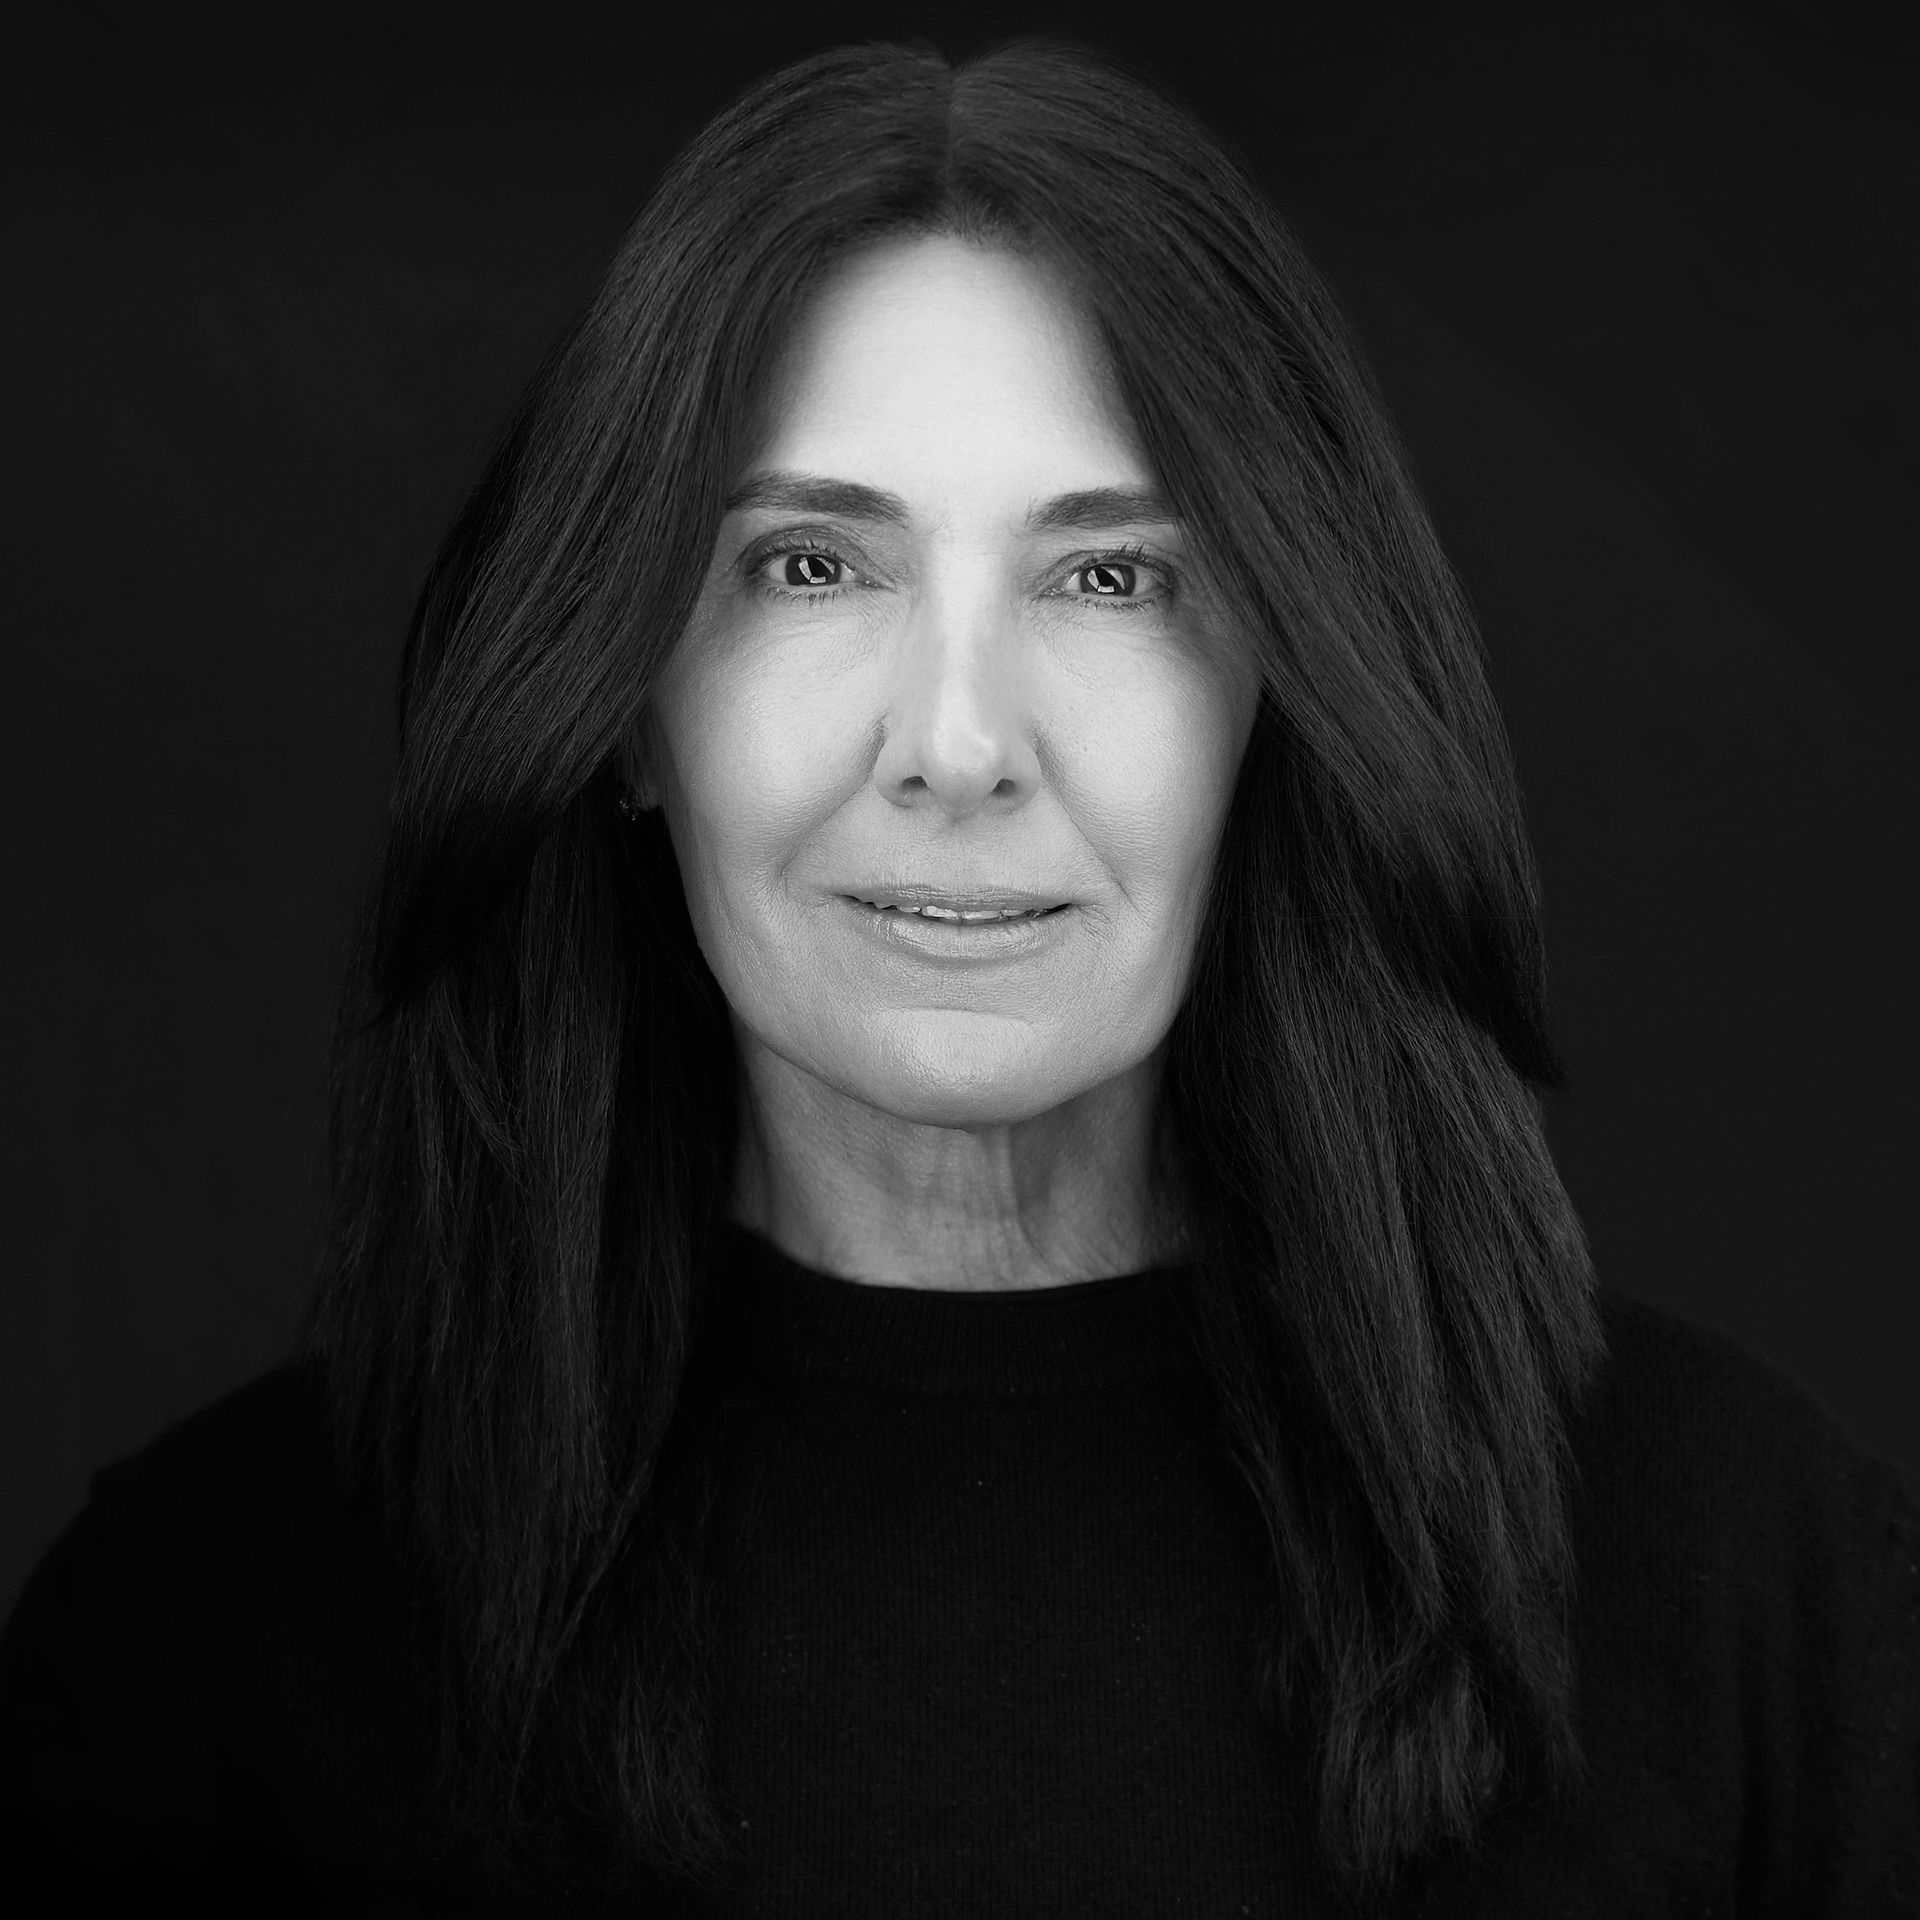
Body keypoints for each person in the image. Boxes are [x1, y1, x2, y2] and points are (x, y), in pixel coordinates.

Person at [1, 34, 1914, 1919]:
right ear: (623, 717)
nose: (960, 738)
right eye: (812, 569)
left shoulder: (1748, 1591)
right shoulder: (202, 1645)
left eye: (1111, 580)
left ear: (1284, 701)